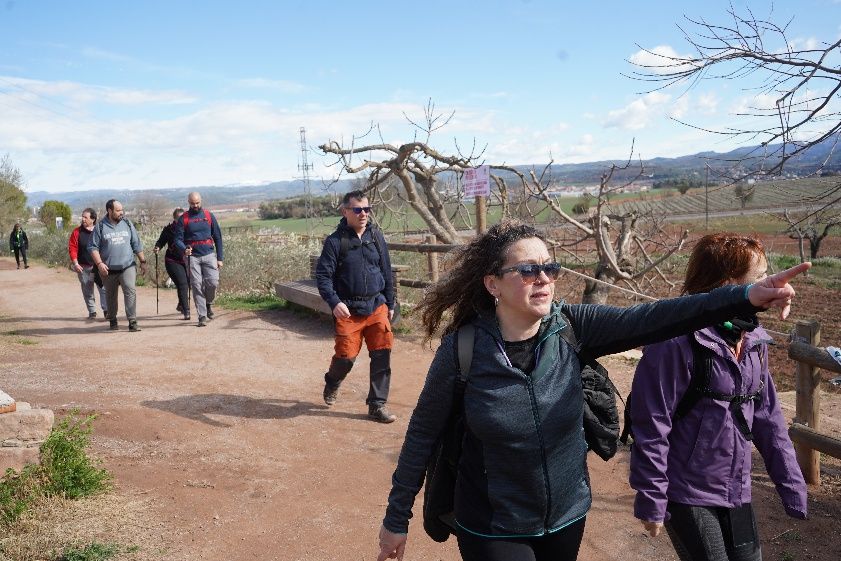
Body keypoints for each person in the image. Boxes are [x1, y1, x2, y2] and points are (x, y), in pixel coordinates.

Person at [376, 221, 810, 561]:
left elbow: (657, 317)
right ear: (493, 284)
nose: (543, 278)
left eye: (550, 267)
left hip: (566, 516)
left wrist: (746, 295)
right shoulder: (464, 349)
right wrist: (398, 517)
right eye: (527, 270)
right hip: (493, 523)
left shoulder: (573, 327)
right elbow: (423, 435)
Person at [627, 233, 807, 561]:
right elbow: (651, 426)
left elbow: (769, 420)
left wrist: (792, 487)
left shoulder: (752, 341)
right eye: (760, 278)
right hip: (686, 492)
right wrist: (651, 499)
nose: (771, 284)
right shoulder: (673, 342)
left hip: (735, 487)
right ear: (729, 284)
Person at [315, 190, 396, 424]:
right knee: (345, 357)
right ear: (345, 211)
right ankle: (333, 380)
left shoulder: (376, 237)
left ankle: (377, 405)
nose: (363, 214)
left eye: (367, 209)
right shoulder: (335, 242)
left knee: (382, 354)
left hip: (376, 305)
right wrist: (334, 302)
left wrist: (390, 302)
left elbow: (386, 272)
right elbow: (323, 276)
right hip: (348, 309)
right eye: (358, 210)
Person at [88, 199, 147, 332]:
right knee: (111, 295)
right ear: (110, 211)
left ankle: (132, 321)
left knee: (130, 291)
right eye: (118, 210)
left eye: (122, 210)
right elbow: (93, 247)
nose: (122, 212)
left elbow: (136, 244)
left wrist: (143, 261)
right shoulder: (101, 227)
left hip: (127, 265)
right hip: (108, 269)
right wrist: (99, 264)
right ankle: (113, 319)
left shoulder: (127, 223)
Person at [173, 192, 223, 327]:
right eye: (192, 203)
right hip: (192, 257)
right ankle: (202, 315)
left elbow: (217, 236)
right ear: (188, 202)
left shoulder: (208, 215)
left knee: (213, 282)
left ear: (201, 201)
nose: (195, 206)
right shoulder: (184, 219)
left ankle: (208, 303)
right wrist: (184, 249)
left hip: (209, 255)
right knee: (196, 285)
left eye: (197, 203)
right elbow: (177, 239)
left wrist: (220, 258)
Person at [68, 208, 108, 319]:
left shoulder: (100, 230)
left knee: (103, 289)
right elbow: (72, 248)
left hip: (99, 267)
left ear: (93, 219)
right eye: (82, 216)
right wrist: (75, 263)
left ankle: (106, 311)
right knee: (87, 290)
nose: (83, 219)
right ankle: (92, 312)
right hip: (83, 267)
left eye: (86, 217)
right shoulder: (77, 232)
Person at [154, 207, 191, 320]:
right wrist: (157, 247)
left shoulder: (189, 229)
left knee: (187, 283)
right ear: (175, 219)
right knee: (182, 283)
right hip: (172, 260)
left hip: (185, 259)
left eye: (183, 218)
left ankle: (181, 304)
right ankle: (186, 310)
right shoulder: (169, 230)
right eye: (179, 218)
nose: (182, 220)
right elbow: (161, 241)